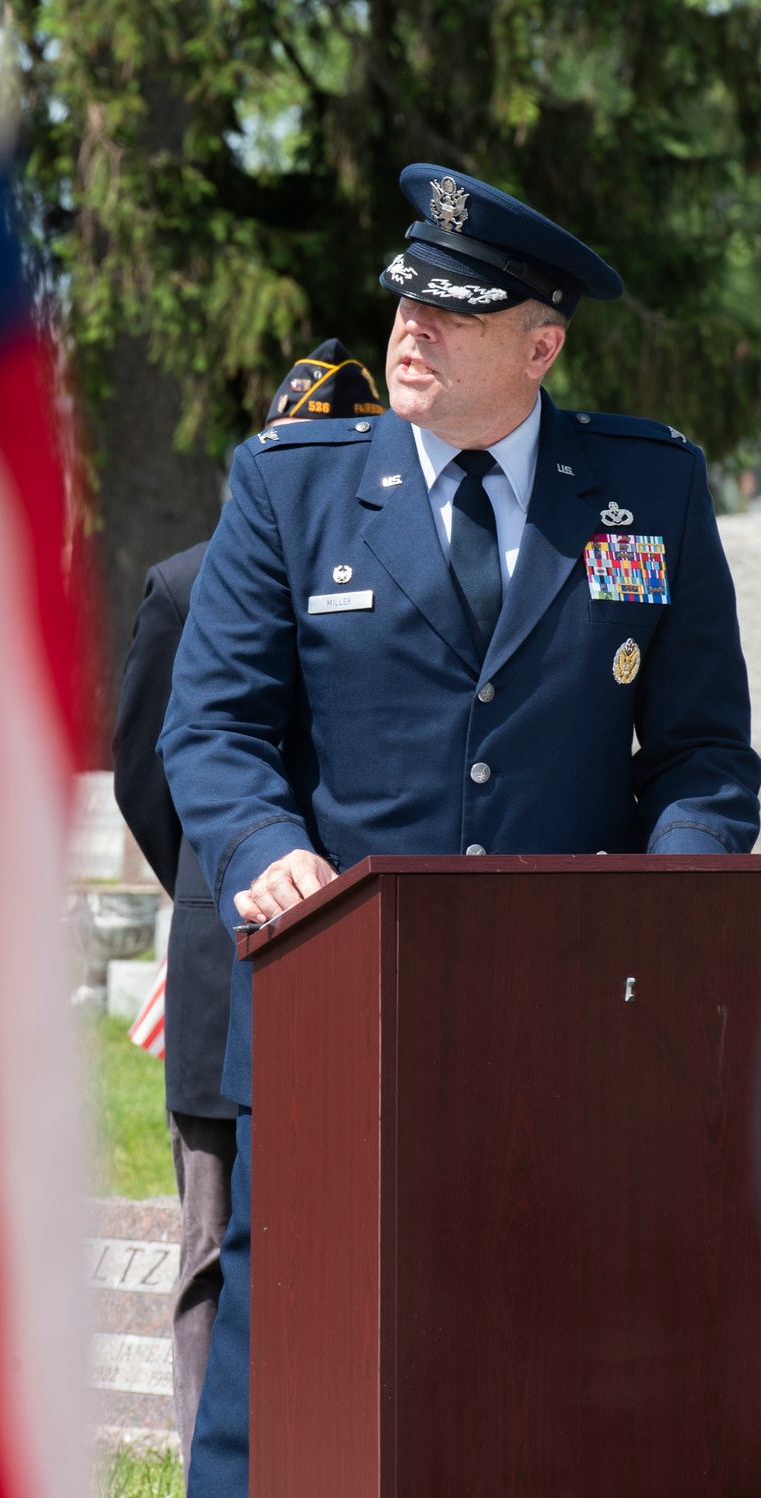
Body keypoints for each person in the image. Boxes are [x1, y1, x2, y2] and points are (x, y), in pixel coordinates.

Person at [159, 163, 761, 1498]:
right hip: (333, 1021)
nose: (409, 336)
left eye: (456, 315)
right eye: (403, 308)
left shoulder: (642, 493)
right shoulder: (291, 489)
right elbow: (213, 728)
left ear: (541, 344)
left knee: (544, 1381)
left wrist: (668, 919)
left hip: (573, 1031)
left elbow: (706, 750)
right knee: (282, 1404)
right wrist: (267, 855)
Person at [112, 340, 384, 1474]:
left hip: (364, 946)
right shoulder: (185, 581)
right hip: (235, 960)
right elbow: (151, 770)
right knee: (218, 1249)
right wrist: (224, 887)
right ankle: (206, 1461)